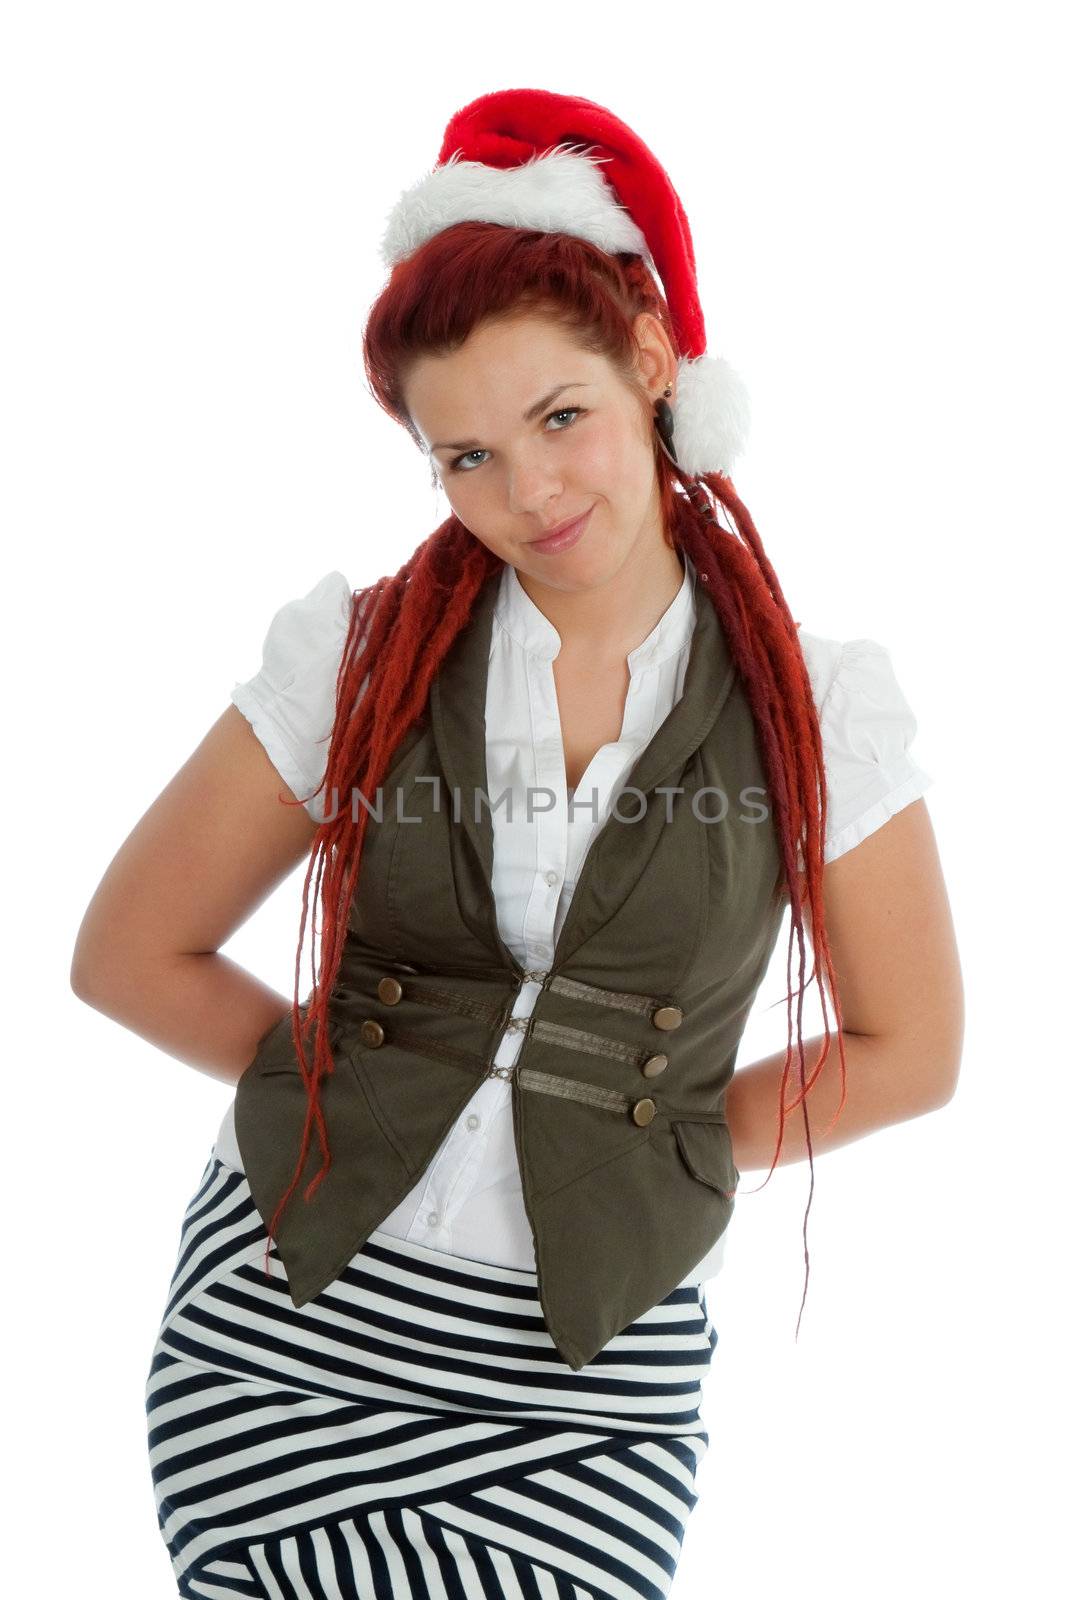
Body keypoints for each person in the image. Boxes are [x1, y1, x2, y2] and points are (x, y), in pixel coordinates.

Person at [71, 88, 964, 1599]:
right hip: (291, 1317)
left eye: (562, 419)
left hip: (588, 1378)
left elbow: (912, 1047)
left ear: (654, 361)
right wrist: (364, 1081)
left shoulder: (817, 709)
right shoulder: (357, 662)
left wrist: (657, 1136)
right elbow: (126, 957)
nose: (526, 493)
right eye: (464, 457)